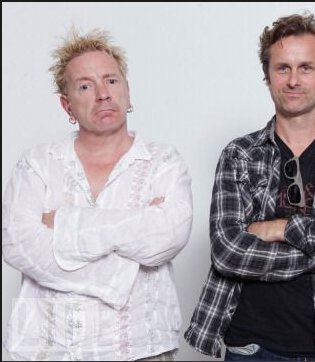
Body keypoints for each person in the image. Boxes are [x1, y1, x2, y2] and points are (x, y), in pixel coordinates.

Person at [184, 12, 315, 361]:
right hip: (252, 347)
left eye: (306, 68)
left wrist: (280, 227)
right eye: (283, 68)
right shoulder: (240, 154)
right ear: (267, 76)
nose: (294, 80)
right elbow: (229, 250)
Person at [2, 28, 193, 361]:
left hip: (139, 347)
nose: (103, 94)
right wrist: (122, 270)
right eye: (85, 86)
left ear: (128, 92)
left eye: (112, 81)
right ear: (67, 105)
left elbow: (167, 236)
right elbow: (17, 244)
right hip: (48, 349)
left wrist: (62, 221)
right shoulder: (36, 164)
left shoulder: (163, 162)